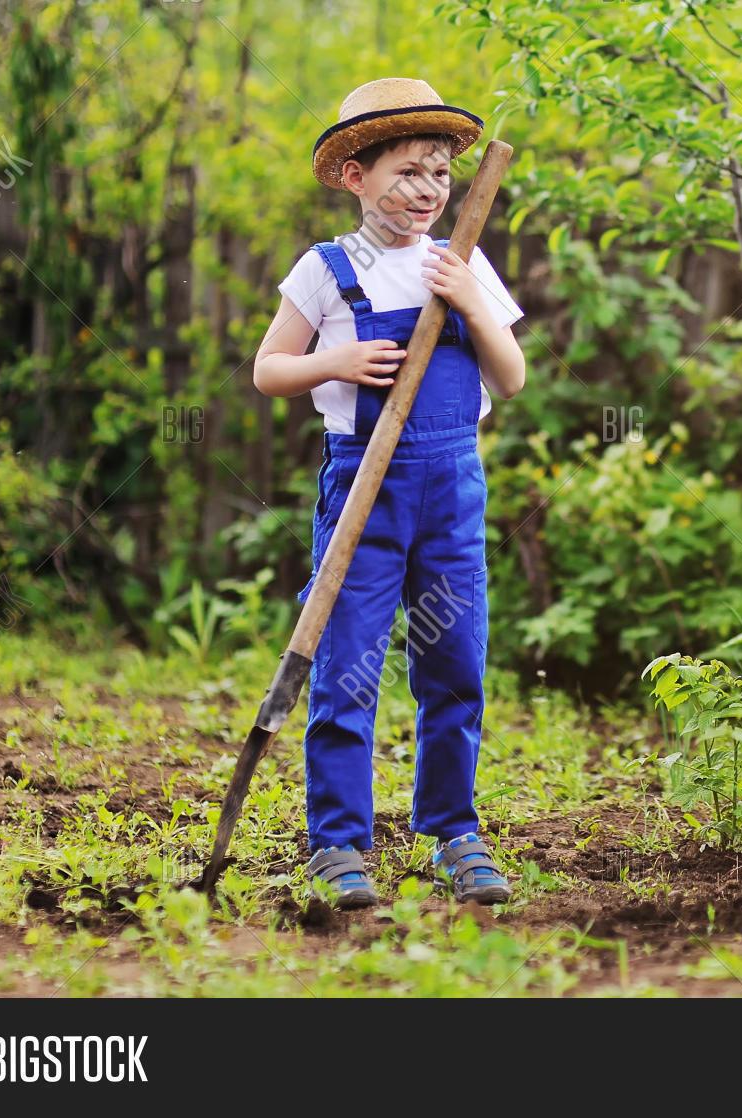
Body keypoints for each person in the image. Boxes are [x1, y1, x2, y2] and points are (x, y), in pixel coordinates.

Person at [253, 77, 526, 908]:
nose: (428, 190)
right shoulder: (327, 270)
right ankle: (337, 844)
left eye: (441, 174)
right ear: (354, 178)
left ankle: (454, 832)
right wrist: (332, 363)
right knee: (349, 665)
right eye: (408, 171)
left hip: (451, 491)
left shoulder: (463, 262)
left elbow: (509, 380)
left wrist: (471, 304)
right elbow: (269, 370)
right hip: (363, 493)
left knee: (454, 663)